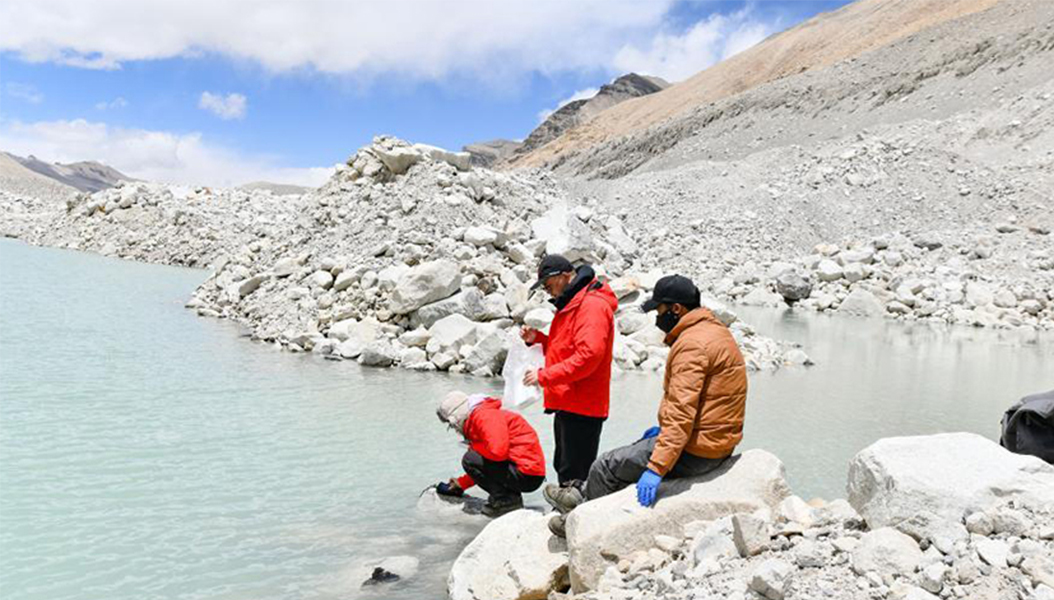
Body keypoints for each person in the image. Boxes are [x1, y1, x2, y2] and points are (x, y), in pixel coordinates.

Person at [543, 274, 747, 537]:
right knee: (633, 451)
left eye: (659, 310)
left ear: (676, 309)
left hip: (698, 451)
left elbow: (681, 412)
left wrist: (657, 467)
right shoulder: (714, 331)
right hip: (716, 441)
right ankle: (580, 496)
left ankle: (580, 524)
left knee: (605, 466)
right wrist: (663, 433)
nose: (657, 318)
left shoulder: (692, 346)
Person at [521, 254, 618, 489]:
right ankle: (567, 507)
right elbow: (564, 349)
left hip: (583, 404)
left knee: (575, 473)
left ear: (564, 276)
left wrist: (544, 376)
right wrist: (539, 339)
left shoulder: (591, 306)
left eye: (547, 284)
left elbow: (589, 357)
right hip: (569, 400)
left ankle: (575, 510)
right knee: (564, 466)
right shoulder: (574, 302)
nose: (546, 290)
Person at [434, 391, 546, 517]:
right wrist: (462, 483)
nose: (454, 428)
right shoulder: (481, 415)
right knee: (472, 457)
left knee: (469, 459)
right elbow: (488, 463)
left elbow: (497, 453)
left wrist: (473, 447)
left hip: (527, 475)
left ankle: (506, 502)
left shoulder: (484, 416)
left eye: (451, 424)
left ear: (457, 416)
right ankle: (508, 499)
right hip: (527, 472)